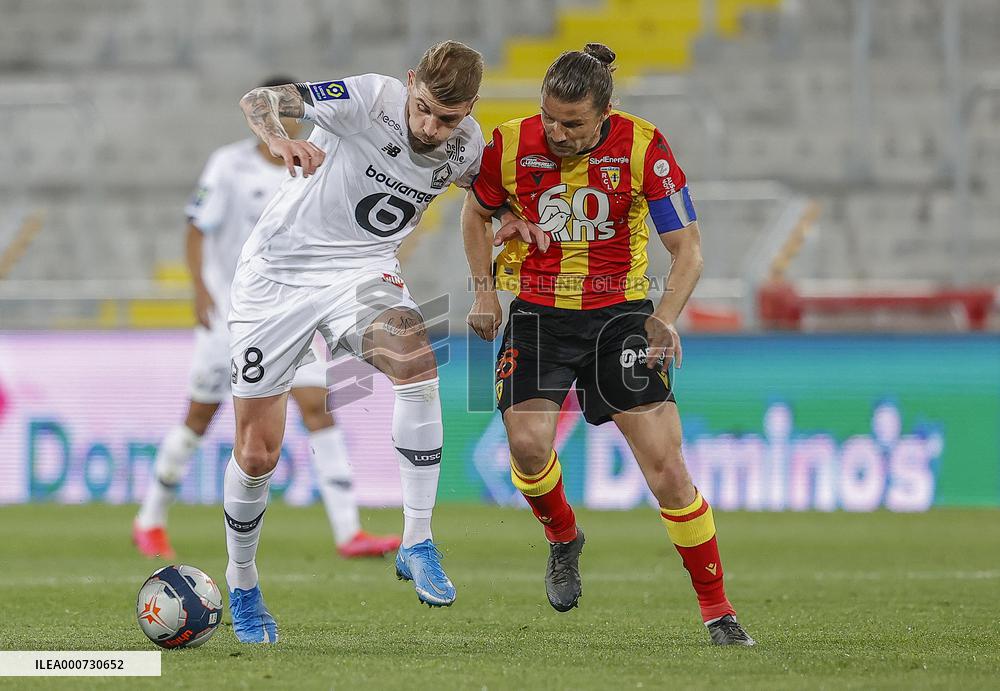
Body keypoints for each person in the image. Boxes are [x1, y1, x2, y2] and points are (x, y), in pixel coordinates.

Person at [462, 44, 755, 646]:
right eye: (549, 117)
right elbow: (475, 214)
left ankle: (718, 612)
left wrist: (664, 319)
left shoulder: (644, 146)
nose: (556, 132)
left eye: (572, 123)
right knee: (526, 446)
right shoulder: (509, 144)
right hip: (538, 314)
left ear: (605, 112)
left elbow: (688, 250)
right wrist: (484, 292)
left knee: (667, 468)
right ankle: (563, 537)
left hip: (620, 318)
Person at [225, 42, 485, 642]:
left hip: (361, 272)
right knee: (258, 453)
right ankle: (242, 582)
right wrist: (278, 138)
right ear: (410, 82)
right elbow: (260, 99)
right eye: (422, 108)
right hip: (277, 276)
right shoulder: (369, 97)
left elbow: (485, 191)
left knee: (416, 359)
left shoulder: (468, 145)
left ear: (470, 109)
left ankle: (417, 540)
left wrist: (511, 214)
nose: (429, 127)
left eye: (447, 118)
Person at [133, 77, 401, 562]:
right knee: (199, 417)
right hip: (233, 310)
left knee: (317, 406)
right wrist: (199, 288)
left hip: (294, 305)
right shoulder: (228, 164)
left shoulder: (318, 158)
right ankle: (149, 519)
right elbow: (196, 228)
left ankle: (349, 531)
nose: (286, 121)